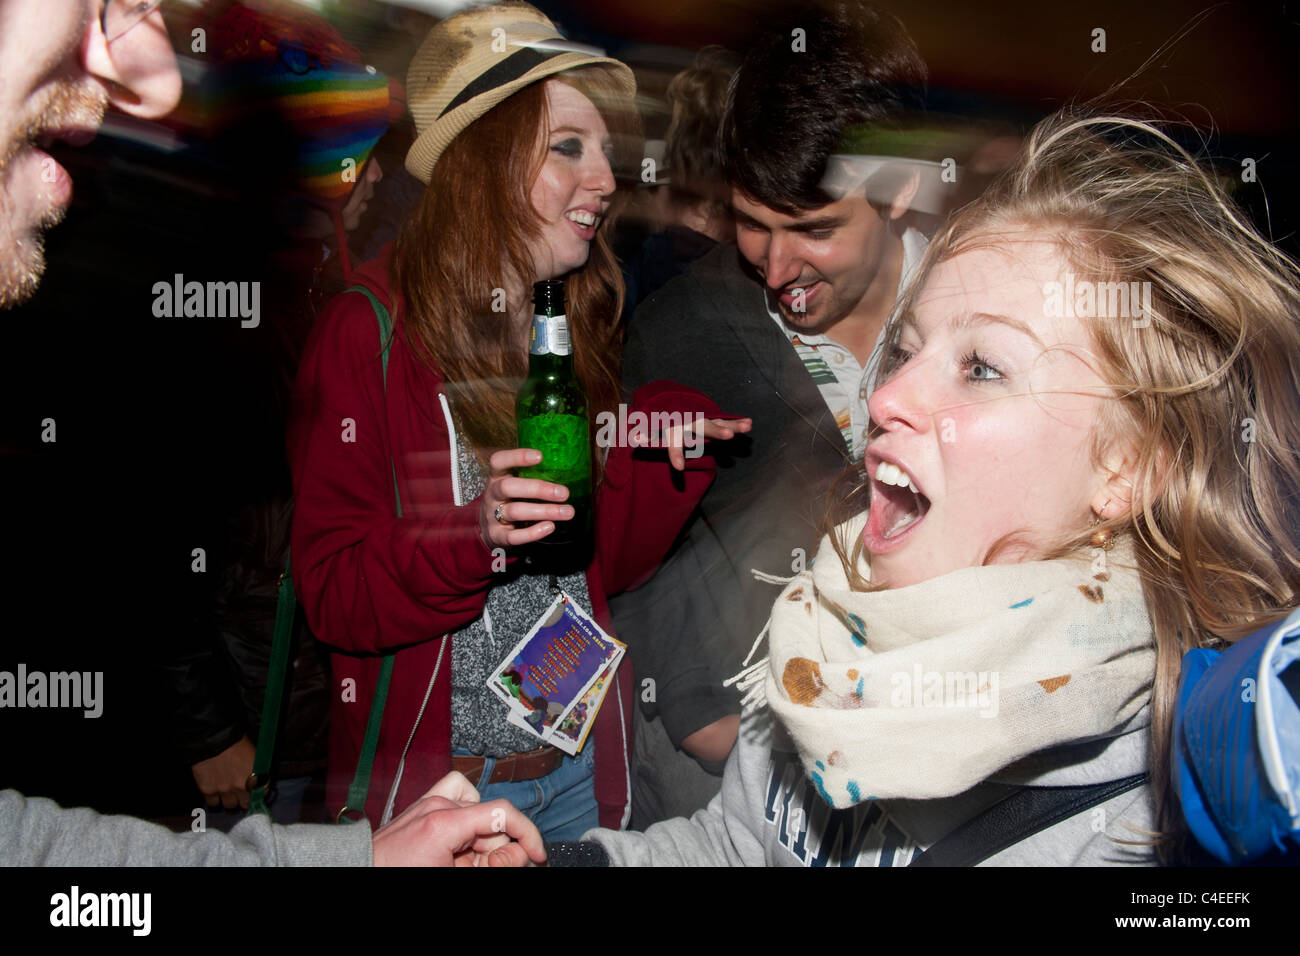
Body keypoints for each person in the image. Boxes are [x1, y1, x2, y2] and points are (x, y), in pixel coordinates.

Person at [569, 106, 1300, 865]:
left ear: (1126, 470)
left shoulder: (1141, 820)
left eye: (983, 368)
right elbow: (732, 843)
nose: (885, 401)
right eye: (908, 351)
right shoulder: (821, 630)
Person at [0, 0, 542, 867]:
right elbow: (142, 511)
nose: (367, 180)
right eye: (351, 158)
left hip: (291, 686)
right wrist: (207, 726)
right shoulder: (200, 290)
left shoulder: (312, 272)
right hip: (229, 688)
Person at [287, 2, 749, 840]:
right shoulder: (369, 332)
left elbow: (601, 568)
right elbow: (334, 593)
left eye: (605, 150)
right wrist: (474, 536)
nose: (606, 180)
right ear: (484, 163)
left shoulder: (565, 324)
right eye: (568, 147)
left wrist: (654, 446)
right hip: (441, 801)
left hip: (577, 776)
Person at [610, 2, 933, 827]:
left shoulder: (974, 319)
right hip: (723, 777)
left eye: (814, 229)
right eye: (753, 223)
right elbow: (631, 552)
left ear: (897, 192)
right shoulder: (682, 329)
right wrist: (687, 705)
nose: (777, 266)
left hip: (929, 766)